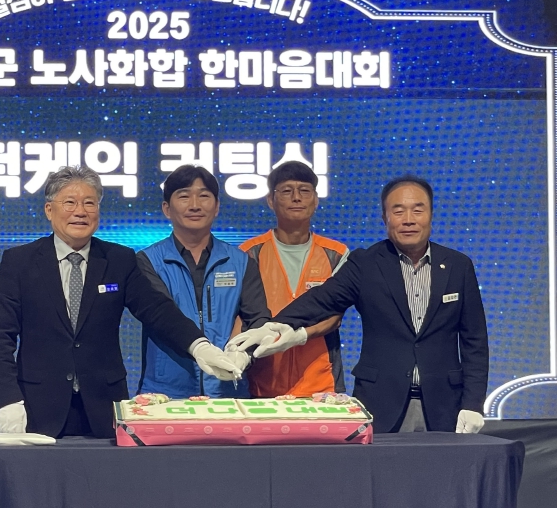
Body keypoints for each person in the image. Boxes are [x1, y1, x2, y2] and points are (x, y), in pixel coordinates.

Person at [0, 166, 241, 439]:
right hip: (37, 407)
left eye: (89, 203)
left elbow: (157, 310)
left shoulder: (119, 260)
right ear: (49, 210)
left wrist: (199, 346)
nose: (80, 212)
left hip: (104, 408)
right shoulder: (19, 263)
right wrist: (8, 400)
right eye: (69, 202)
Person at [229, 176, 488, 434]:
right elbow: (321, 299)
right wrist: (274, 326)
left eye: (417, 210)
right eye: (398, 211)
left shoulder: (458, 266)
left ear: (431, 214)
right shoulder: (366, 263)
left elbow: (474, 340)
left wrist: (473, 403)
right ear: (385, 218)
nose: (408, 219)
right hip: (381, 403)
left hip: (446, 405)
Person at [136, 165, 271, 398]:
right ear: (166, 209)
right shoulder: (147, 261)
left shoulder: (240, 261)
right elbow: (160, 317)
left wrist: (243, 353)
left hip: (227, 391)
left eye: (204, 196)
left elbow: (257, 318)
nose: (195, 205)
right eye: (184, 196)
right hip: (165, 393)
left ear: (217, 207)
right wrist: (200, 348)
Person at [240, 161, 349, 397]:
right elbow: (241, 315)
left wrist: (300, 336)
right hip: (262, 382)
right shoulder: (249, 253)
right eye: (287, 191)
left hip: (322, 383)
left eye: (305, 190)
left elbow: (335, 316)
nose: (296, 198)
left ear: (316, 200)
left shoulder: (337, 254)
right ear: (271, 200)